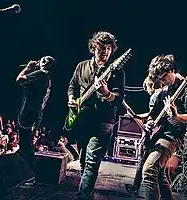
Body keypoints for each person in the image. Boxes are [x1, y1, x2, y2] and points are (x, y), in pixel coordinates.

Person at [66, 31, 125, 200]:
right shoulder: (81, 66)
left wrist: (106, 93)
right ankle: (87, 194)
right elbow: (72, 86)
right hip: (82, 121)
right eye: (101, 47)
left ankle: (82, 197)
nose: (105, 51)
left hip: (102, 123)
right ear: (93, 48)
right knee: (84, 162)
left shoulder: (116, 71)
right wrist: (71, 99)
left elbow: (119, 99)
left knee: (92, 162)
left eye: (108, 48)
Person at [140, 54, 187, 200]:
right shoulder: (164, 89)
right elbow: (154, 114)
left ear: (172, 69)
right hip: (159, 134)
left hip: (173, 136)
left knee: (149, 170)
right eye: (159, 79)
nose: (162, 82)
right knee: (160, 176)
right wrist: (149, 122)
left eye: (164, 77)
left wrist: (176, 115)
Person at [16, 55, 56, 172]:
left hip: (27, 113)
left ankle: (32, 171)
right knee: (26, 143)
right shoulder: (47, 78)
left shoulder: (40, 74)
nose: (38, 61)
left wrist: (28, 68)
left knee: (25, 145)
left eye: (42, 60)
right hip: (35, 113)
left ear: (45, 64)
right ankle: (31, 171)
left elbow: (19, 80)